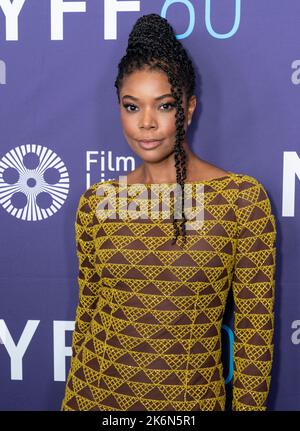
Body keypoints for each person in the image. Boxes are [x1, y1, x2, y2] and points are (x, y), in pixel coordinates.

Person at [61, 13, 277, 411]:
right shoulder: (97, 202)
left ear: (189, 108)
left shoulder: (241, 201)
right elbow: (89, 320)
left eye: (164, 105)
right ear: (119, 109)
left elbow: (254, 339)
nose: (146, 123)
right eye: (131, 106)